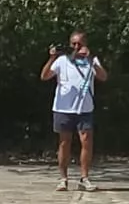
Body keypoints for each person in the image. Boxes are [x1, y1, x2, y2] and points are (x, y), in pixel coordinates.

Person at [43, 30, 106, 192]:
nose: (77, 47)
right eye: (74, 44)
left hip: (85, 108)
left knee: (86, 141)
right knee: (64, 143)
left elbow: (103, 77)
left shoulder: (92, 60)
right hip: (63, 108)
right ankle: (63, 179)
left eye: (80, 44)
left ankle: (84, 178)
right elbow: (45, 76)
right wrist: (51, 58)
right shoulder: (62, 61)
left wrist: (91, 60)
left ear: (85, 44)